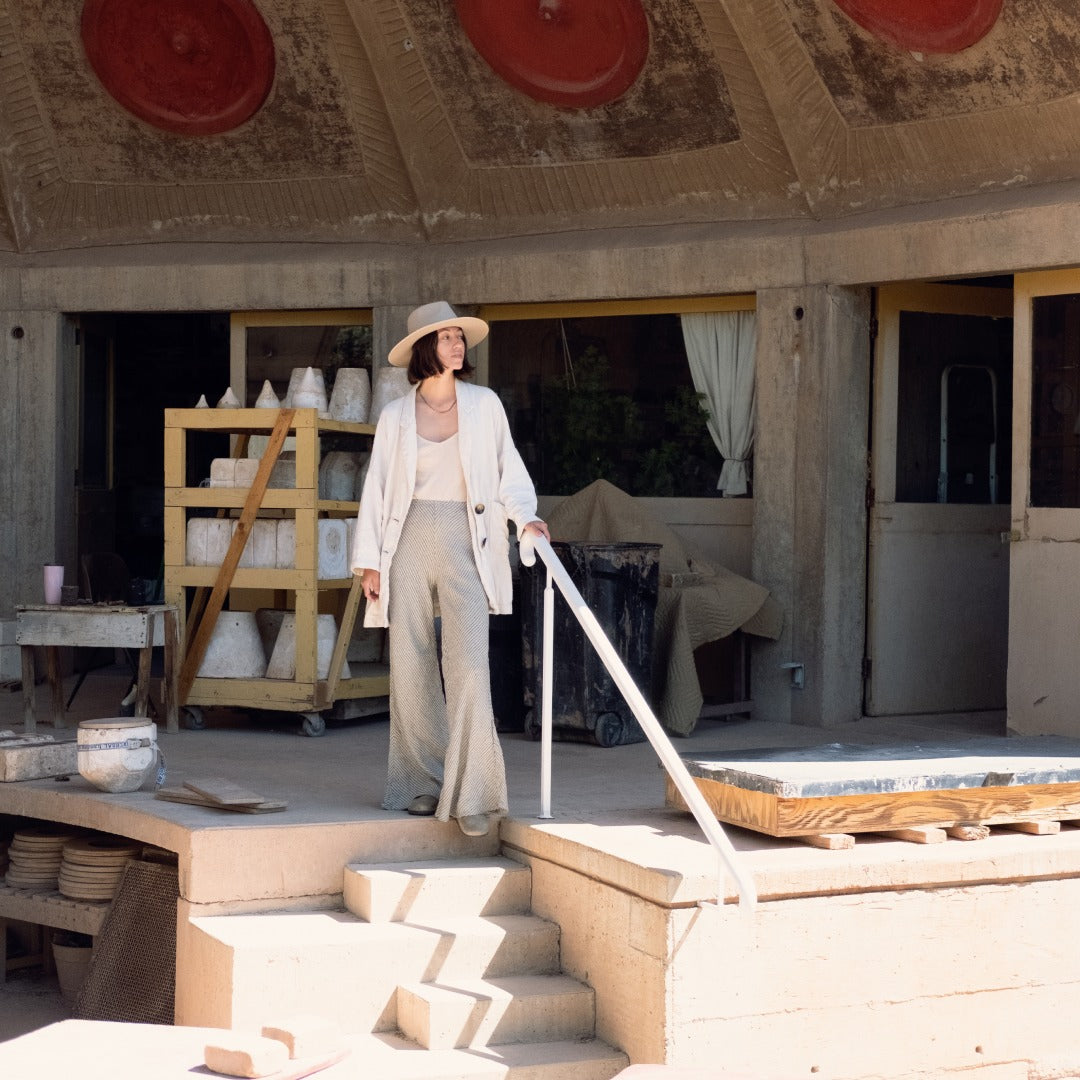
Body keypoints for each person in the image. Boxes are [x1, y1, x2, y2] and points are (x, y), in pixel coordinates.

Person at [350, 301, 549, 837]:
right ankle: (421, 783)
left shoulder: (485, 405)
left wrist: (526, 520)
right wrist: (368, 561)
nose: (458, 345)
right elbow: (378, 490)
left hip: (468, 539)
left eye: (460, 337)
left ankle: (476, 792)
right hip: (408, 536)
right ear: (424, 349)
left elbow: (509, 469)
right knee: (410, 663)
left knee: (468, 665)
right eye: (446, 338)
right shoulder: (395, 416)